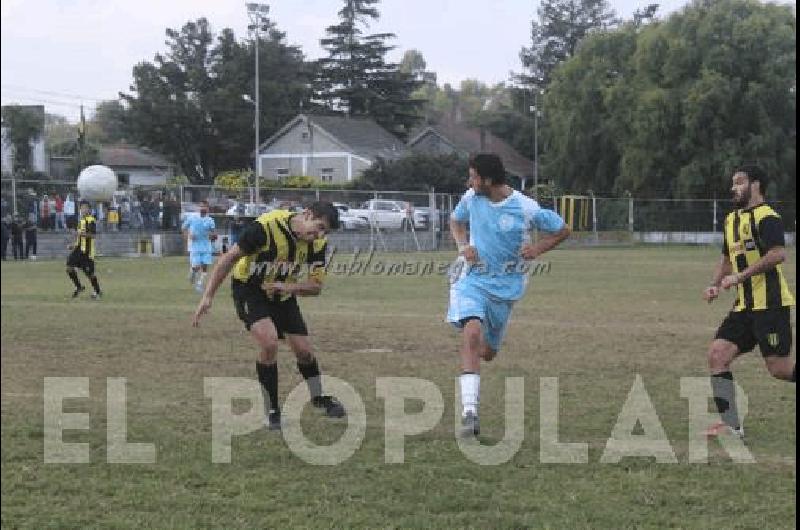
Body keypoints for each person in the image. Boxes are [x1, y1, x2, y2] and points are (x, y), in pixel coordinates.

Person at [447, 153, 571, 437]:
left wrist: (538, 249)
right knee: (472, 332)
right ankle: (470, 412)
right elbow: (456, 222)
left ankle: (473, 359)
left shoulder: (525, 208)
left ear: (487, 180)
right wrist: (463, 246)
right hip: (472, 279)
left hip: (506, 289)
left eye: (473, 176)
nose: (469, 181)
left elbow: (562, 230)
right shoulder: (471, 197)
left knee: (487, 353)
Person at [192, 201, 345, 431]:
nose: (319, 234)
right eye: (319, 226)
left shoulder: (318, 244)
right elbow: (229, 258)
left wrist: (287, 288)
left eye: (325, 231)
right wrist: (208, 296)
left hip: (282, 293)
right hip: (250, 289)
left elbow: (315, 286)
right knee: (269, 342)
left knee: (304, 352)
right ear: (307, 213)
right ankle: (272, 409)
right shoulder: (266, 227)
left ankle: (318, 397)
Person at [702, 164, 795, 438]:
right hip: (744, 306)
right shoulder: (731, 220)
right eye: (733, 182)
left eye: (740, 182)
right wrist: (715, 284)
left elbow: (778, 254)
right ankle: (732, 425)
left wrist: (740, 277)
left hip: (771, 305)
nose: (734, 187)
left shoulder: (768, 217)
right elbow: (728, 258)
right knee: (717, 355)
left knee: (779, 369)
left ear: (755, 185)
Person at [66, 201, 103, 299]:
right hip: (79, 250)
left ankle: (98, 291)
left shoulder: (91, 220)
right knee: (69, 267)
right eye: (82, 208)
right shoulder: (81, 220)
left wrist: (80, 234)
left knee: (90, 274)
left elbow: (93, 235)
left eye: (86, 208)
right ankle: (79, 287)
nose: (84, 210)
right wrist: (73, 246)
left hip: (87, 252)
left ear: (89, 209)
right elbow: (80, 238)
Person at [182, 200, 217, 293]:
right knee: (196, 266)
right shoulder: (192, 217)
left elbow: (214, 234)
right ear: (199, 208)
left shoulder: (210, 220)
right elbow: (184, 228)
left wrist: (213, 236)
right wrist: (188, 236)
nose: (203, 208)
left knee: (205, 266)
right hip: (195, 247)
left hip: (206, 247)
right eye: (201, 206)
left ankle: (200, 284)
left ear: (208, 208)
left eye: (204, 206)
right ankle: (192, 272)